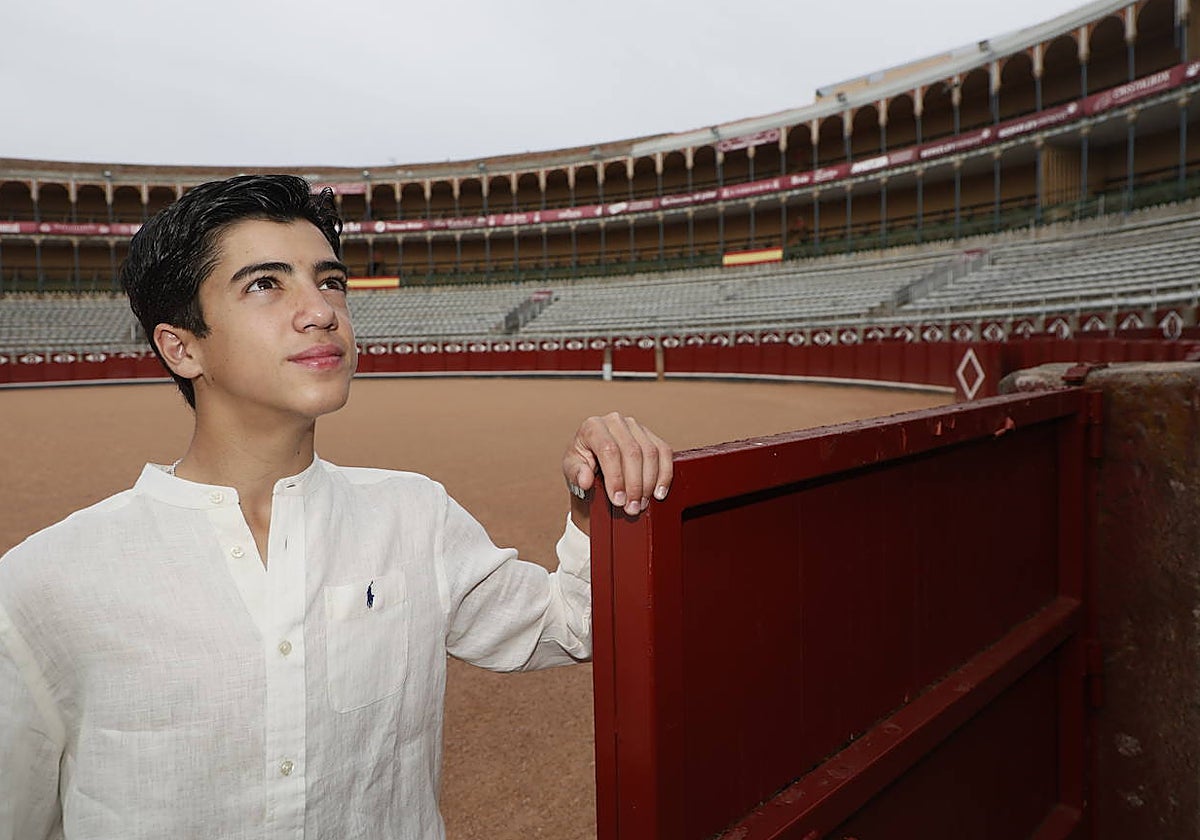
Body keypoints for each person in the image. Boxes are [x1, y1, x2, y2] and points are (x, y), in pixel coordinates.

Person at [0, 175, 673, 839]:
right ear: (181, 346)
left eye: (331, 281)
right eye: (266, 284)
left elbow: (572, 625)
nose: (321, 309)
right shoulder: (46, 581)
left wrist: (592, 511)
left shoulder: (415, 515)